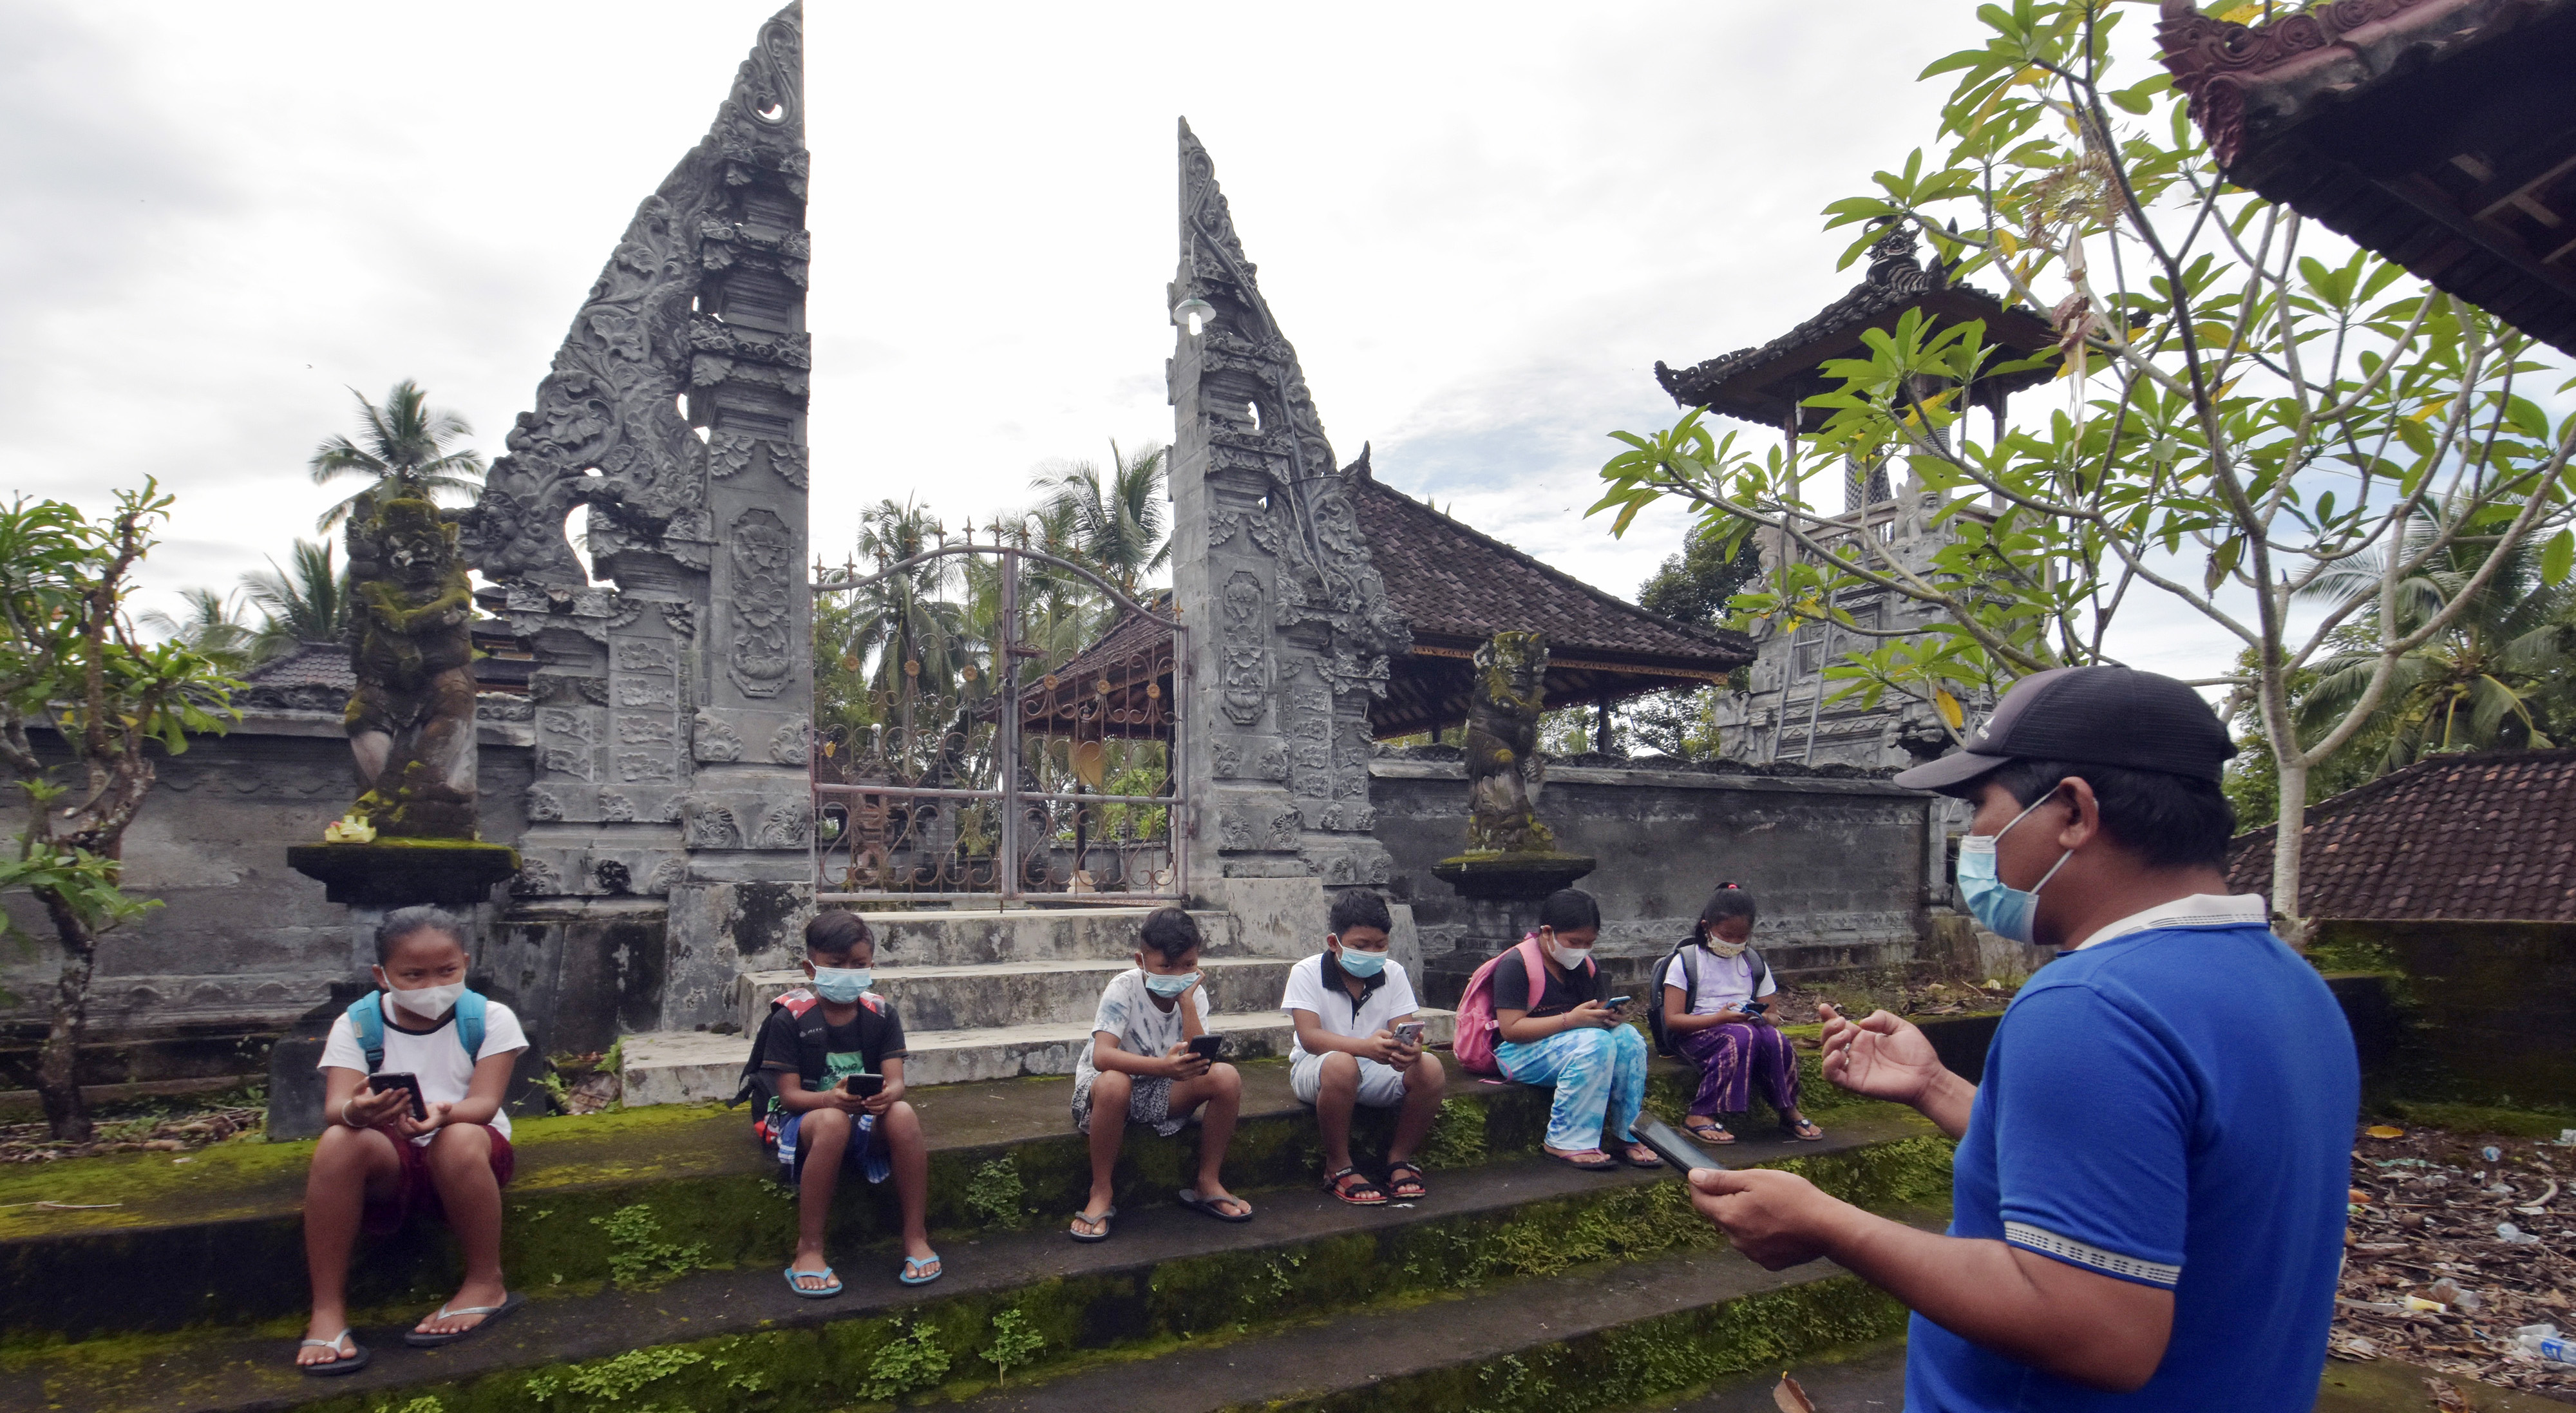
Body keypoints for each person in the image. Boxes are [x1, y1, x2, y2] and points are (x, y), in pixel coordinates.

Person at [1687, 665, 2358, 1410]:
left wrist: (1826, 1222)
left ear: (2072, 810)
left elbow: (2098, 1329)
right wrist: (1935, 1086)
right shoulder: (2291, 985)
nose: (1973, 838)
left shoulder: (2089, 1005)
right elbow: (2143, 1175)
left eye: (1981, 806)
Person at [297, 906, 531, 1374]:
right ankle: (326, 1311)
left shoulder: (491, 1018)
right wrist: (359, 1111)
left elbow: (483, 1103)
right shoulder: (358, 1024)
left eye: (447, 971)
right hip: (393, 1155)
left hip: (470, 1151)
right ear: (382, 976)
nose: (432, 987)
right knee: (339, 1141)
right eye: (413, 975)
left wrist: (444, 1115)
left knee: (459, 1138)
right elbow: (335, 1107)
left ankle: (486, 1283)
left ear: (465, 961)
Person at [752, 911, 937, 1296]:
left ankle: (916, 1237)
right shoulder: (791, 1019)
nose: (849, 973)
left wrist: (889, 1094)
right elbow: (789, 1097)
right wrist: (830, 1100)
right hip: (805, 1119)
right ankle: (809, 1250)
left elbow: (897, 1082)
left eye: (858, 965)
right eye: (837, 965)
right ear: (811, 968)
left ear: (871, 965)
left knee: (903, 1114)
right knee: (833, 1122)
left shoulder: (881, 1014)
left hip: (865, 1117)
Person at [1068, 907, 1249, 1240]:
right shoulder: (1123, 988)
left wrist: (1187, 1002)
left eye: (1188, 965)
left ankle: (1207, 1182)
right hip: (1106, 1096)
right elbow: (1102, 1056)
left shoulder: (1194, 994)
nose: (1178, 973)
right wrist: (1162, 1067)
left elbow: (1199, 1060)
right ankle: (1101, 1192)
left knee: (1227, 1077)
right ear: (1141, 961)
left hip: (1163, 1091)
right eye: (1166, 966)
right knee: (1114, 1082)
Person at [1282, 889, 1447, 1206]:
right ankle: (1338, 1166)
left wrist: (1408, 1050)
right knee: (1342, 1064)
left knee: (1430, 1068)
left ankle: (1398, 1160)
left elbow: (1404, 1027)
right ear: (1334, 943)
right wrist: (1363, 1047)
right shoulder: (1306, 972)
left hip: (1375, 1067)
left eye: (1380, 945)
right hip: (1317, 1068)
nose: (1372, 953)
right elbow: (1310, 1038)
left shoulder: (1393, 973)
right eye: (1360, 946)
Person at [1491, 888, 1658, 1170]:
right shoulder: (1515, 964)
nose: (1580, 949)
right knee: (1596, 1042)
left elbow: (1597, 1015)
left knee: (1629, 1038)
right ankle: (1566, 1138)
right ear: (1547, 932)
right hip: (1518, 1053)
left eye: (1589, 943)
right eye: (1574, 941)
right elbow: (1510, 1030)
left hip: (1574, 1044)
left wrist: (1612, 1017)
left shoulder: (1586, 965)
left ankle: (1628, 1133)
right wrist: (1571, 1020)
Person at [1659, 884, 1821, 1145]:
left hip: (1744, 1027)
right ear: (1706, 927)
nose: (1733, 943)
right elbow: (1673, 1020)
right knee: (1741, 1036)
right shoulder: (1686, 962)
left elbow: (1774, 1016)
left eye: (1740, 937)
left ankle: (1787, 1107)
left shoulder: (1753, 963)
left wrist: (1760, 1017)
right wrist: (1720, 1019)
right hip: (1695, 1032)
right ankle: (1700, 1113)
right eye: (1726, 935)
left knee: (1776, 1039)